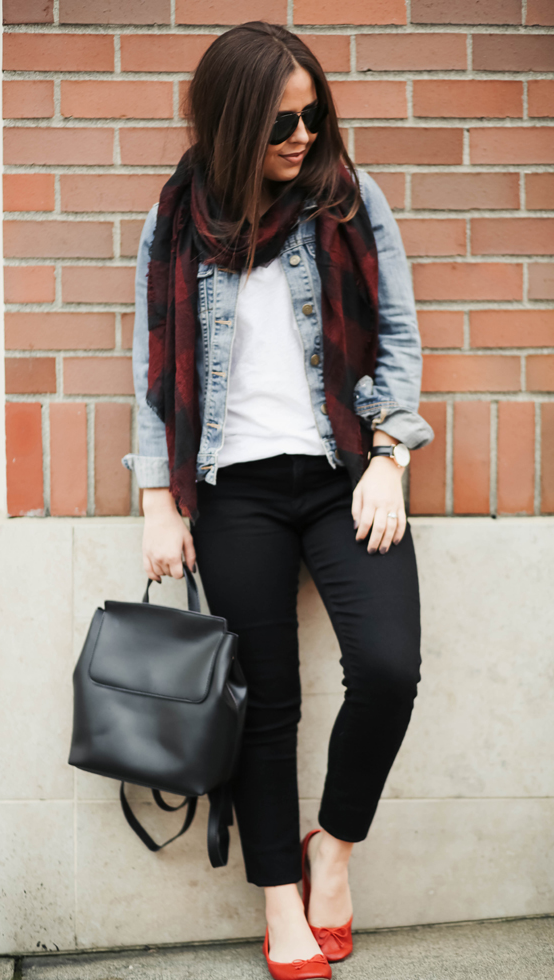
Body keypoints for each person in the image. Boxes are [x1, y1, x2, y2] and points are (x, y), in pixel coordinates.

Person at [123, 22, 433, 980]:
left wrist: (389, 453)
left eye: (315, 114)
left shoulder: (348, 196)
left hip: (345, 473)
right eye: (280, 123)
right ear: (231, 124)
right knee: (266, 705)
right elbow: (150, 370)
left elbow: (398, 340)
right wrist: (158, 500)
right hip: (232, 490)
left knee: (388, 667)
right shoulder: (177, 218)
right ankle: (280, 905)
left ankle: (330, 854)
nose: (303, 136)